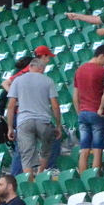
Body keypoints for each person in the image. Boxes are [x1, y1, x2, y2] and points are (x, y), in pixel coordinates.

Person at [6, 47, 62, 180]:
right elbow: (55, 105)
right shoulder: (48, 81)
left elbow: (11, 105)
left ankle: (29, 185)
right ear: (41, 69)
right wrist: (58, 125)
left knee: (26, 156)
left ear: (30, 67)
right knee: (46, 150)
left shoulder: (18, 80)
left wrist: (9, 127)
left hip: (24, 121)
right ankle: (41, 173)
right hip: (43, 121)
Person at [72, 44, 104, 175]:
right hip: (97, 112)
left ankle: (84, 177)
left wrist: (80, 112)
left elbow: (75, 97)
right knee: (97, 149)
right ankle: (95, 176)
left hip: (83, 112)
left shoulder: (79, 70)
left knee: (84, 149)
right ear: (101, 56)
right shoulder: (102, 72)